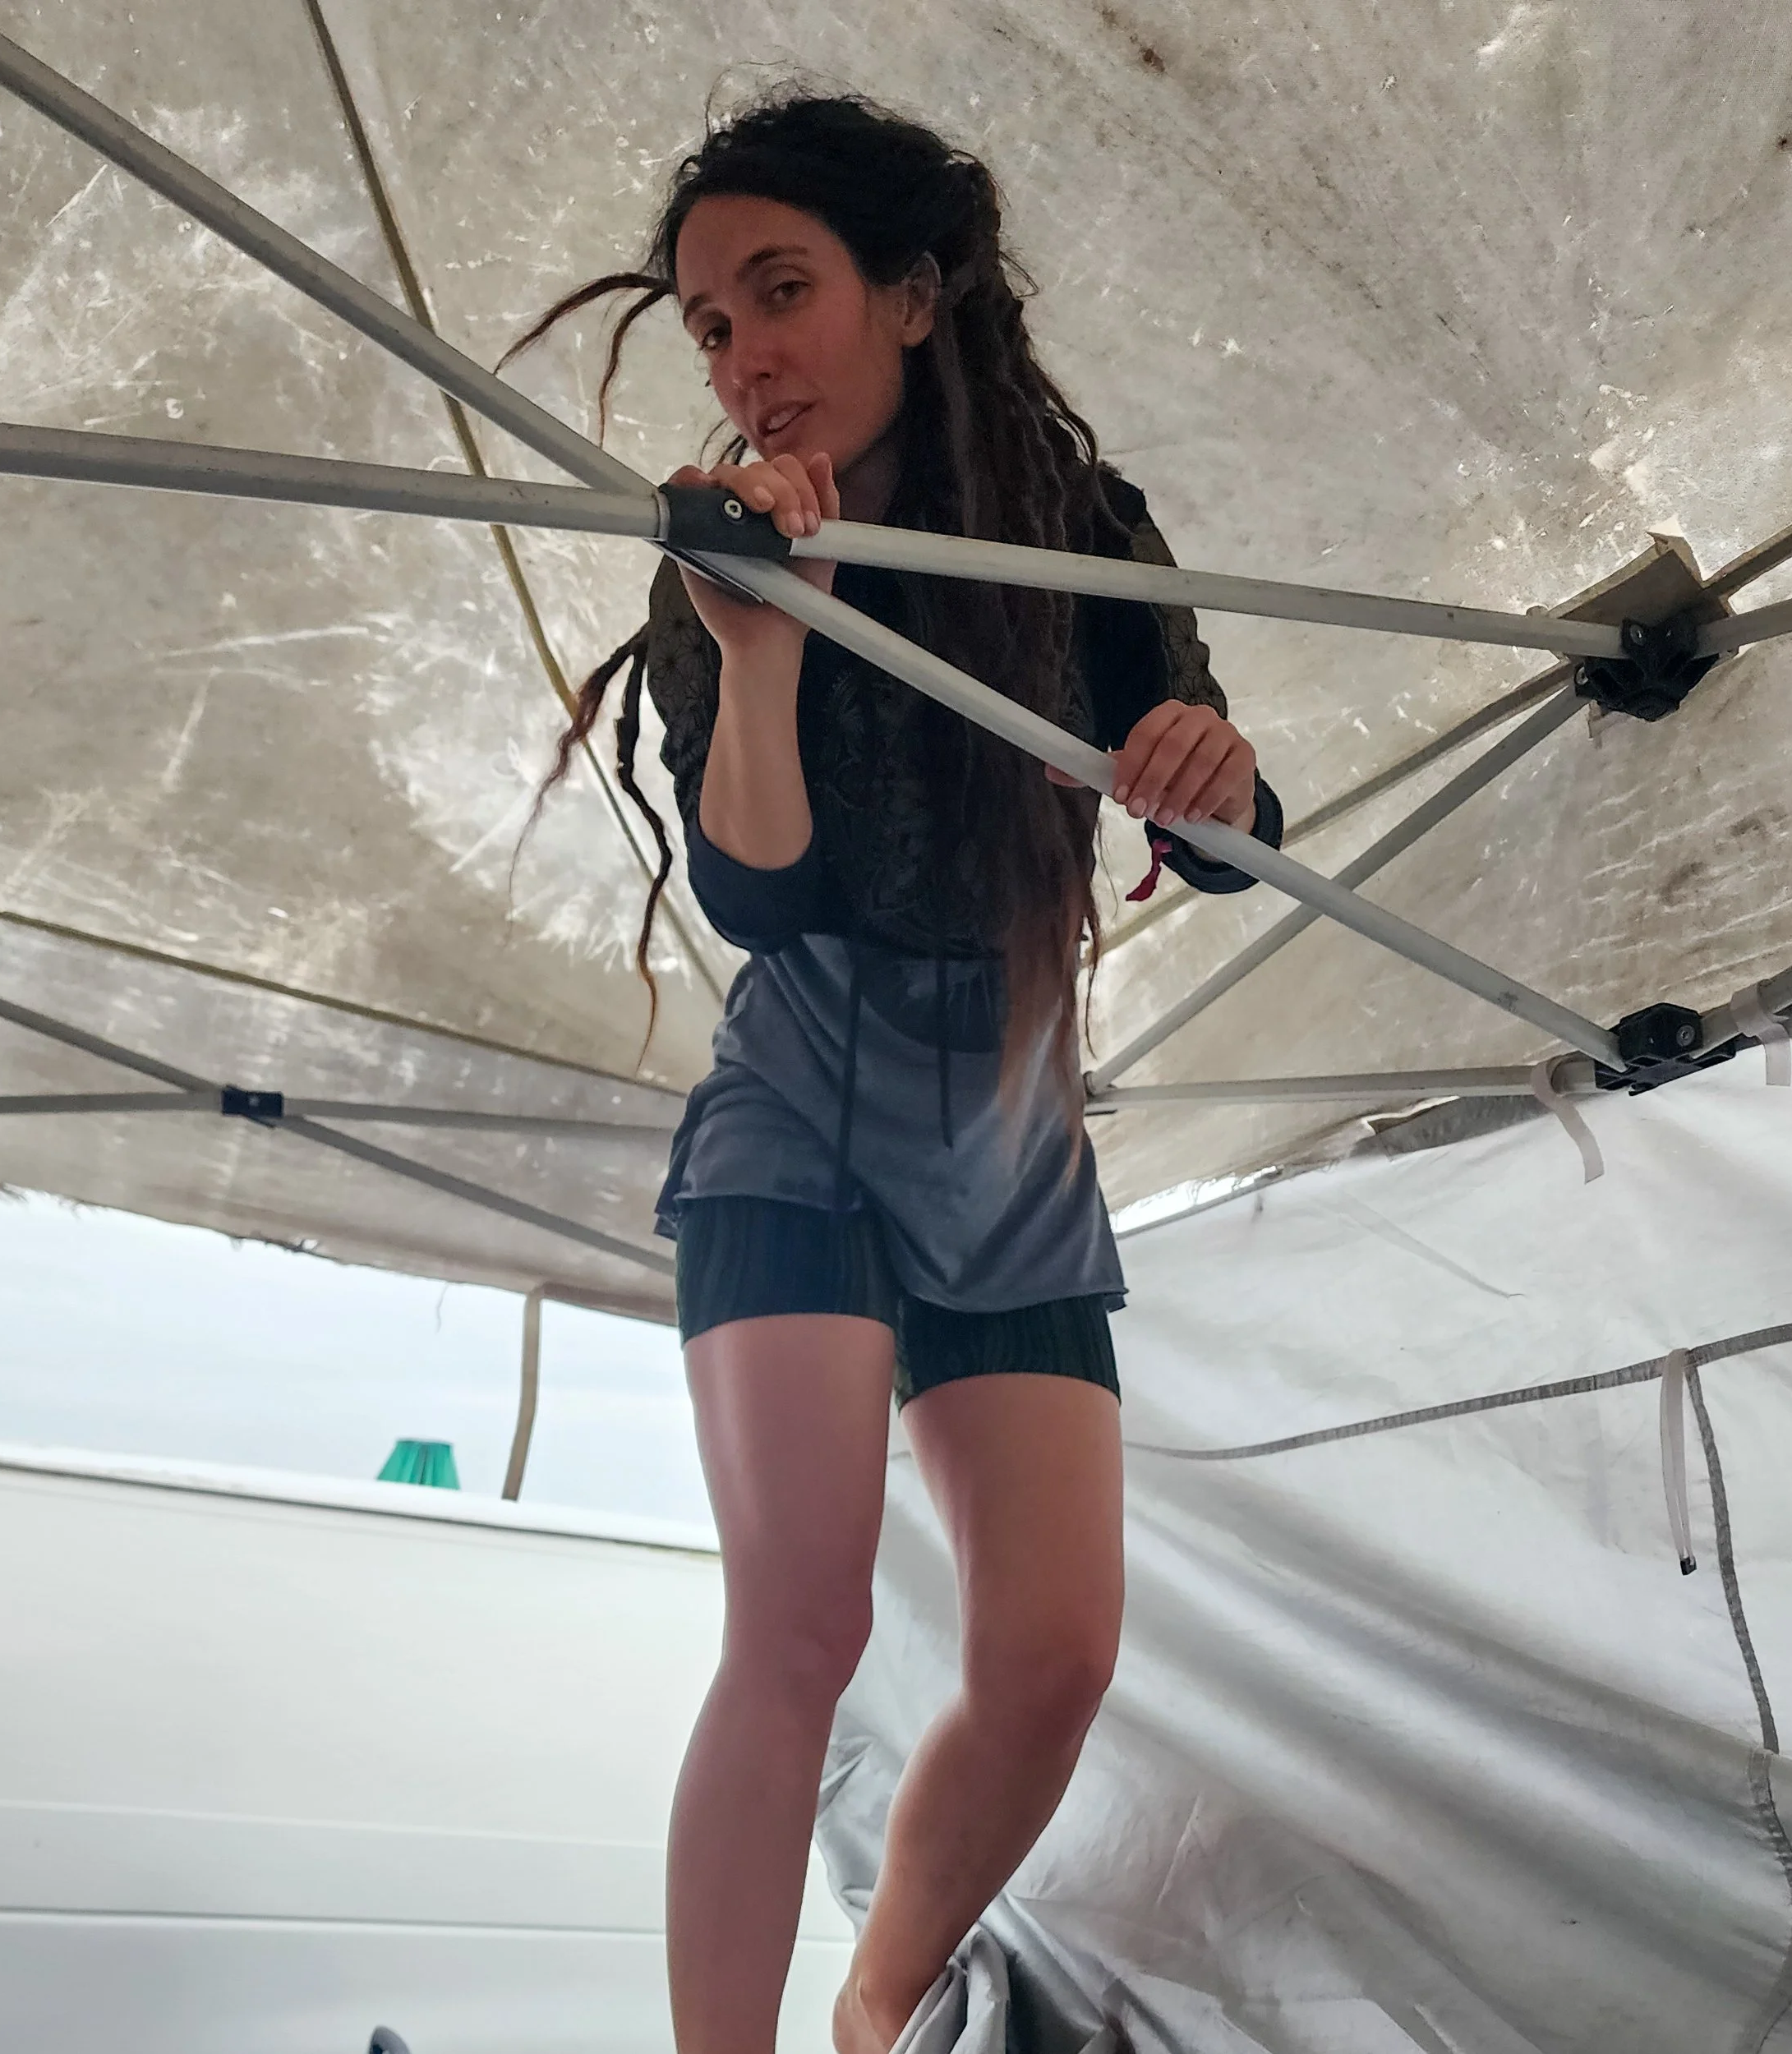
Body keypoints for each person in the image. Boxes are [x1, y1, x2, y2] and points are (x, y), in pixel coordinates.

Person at [509, 90, 1279, 2054]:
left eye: (782, 293)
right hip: (804, 1110)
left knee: (1054, 1654)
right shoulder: (715, 547)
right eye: (709, 323)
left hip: (1013, 1124)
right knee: (801, 1625)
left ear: (914, 297)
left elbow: (1217, 828)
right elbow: (755, 894)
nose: (743, 358)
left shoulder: (1083, 532)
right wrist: (759, 645)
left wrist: (1215, 779)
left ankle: (874, 2002)